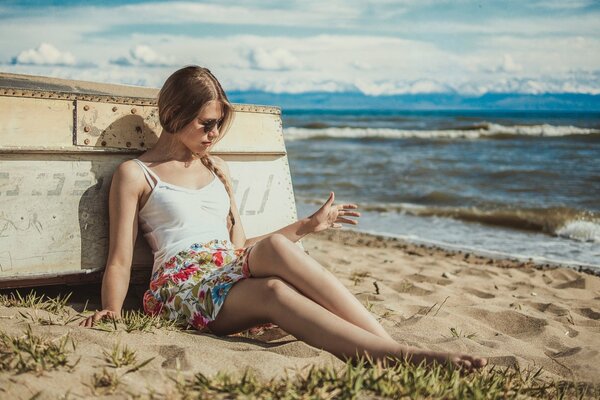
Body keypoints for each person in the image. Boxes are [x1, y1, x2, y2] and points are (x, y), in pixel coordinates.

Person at [80, 65, 487, 371]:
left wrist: (309, 226)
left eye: (220, 123)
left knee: (274, 269)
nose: (214, 133)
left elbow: (240, 249)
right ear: (174, 114)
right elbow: (119, 257)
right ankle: (399, 355)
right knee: (272, 283)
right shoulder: (137, 174)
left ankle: (393, 350)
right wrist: (112, 310)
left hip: (223, 269)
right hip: (181, 286)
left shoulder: (217, 168)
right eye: (206, 123)